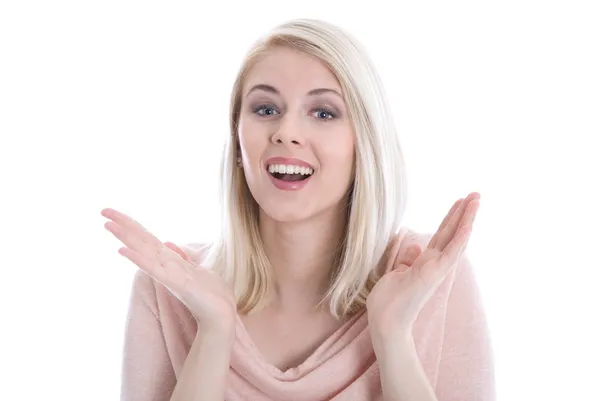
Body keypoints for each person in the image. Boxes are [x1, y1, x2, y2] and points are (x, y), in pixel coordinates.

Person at [101, 18, 495, 401]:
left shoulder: (431, 280)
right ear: (238, 142)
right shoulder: (170, 289)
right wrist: (214, 332)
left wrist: (393, 338)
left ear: (364, 146)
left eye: (323, 113)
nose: (286, 131)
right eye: (265, 109)